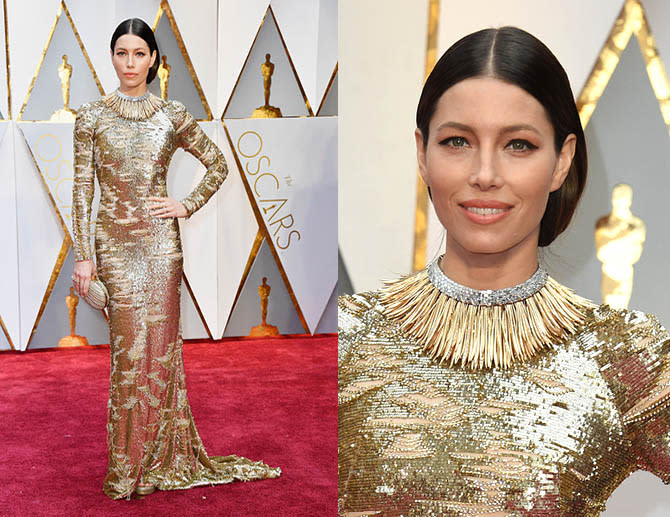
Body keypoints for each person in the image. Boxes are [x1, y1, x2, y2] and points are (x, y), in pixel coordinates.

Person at [338, 26, 670, 515]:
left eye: (518, 145)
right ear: (422, 155)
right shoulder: (346, 340)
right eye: (457, 142)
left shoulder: (623, 356)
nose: (486, 174)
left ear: (562, 161)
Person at [71, 18, 280, 500]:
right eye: (121, 53)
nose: (129, 63)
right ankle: (127, 467)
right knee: (128, 357)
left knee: (161, 356)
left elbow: (219, 164)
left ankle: (159, 458)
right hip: (115, 248)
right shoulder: (92, 116)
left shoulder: (172, 114)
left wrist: (185, 204)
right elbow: (83, 191)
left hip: (161, 250)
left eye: (139, 54)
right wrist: (85, 257)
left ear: (153, 59)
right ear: (112, 57)